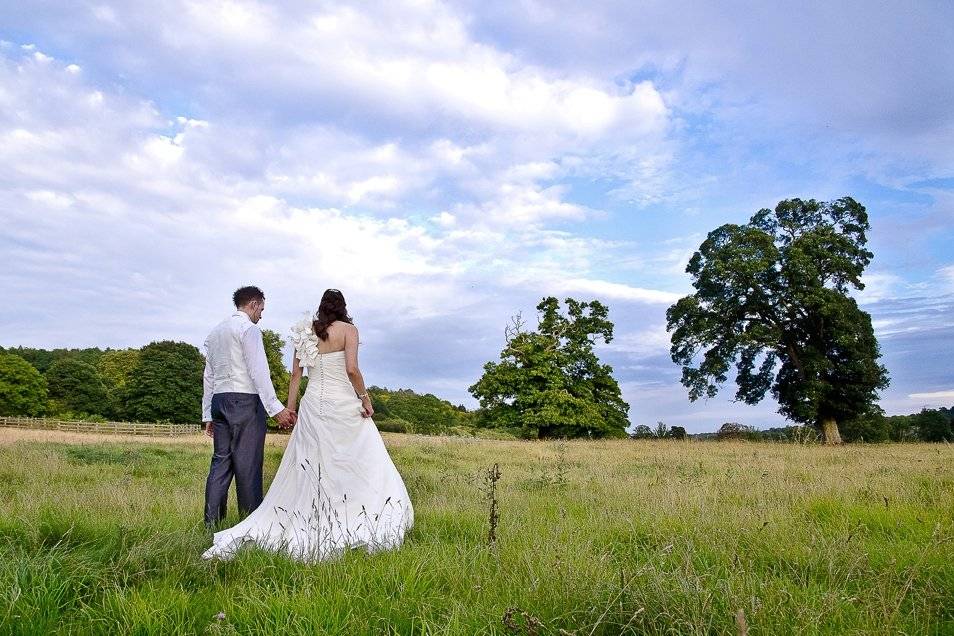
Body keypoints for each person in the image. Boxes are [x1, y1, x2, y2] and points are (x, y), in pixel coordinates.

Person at [202, 289, 413, 561]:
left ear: (321, 308)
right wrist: (365, 399)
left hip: (310, 403)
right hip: (342, 402)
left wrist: (290, 408)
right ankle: (349, 509)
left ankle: (219, 520)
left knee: (304, 460)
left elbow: (295, 375)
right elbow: (352, 370)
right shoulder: (349, 330)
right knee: (355, 457)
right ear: (343, 308)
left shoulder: (305, 332)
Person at [202, 285, 297, 527]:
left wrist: (207, 414)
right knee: (248, 465)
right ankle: (251, 524)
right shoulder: (249, 329)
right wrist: (276, 409)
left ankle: (212, 523)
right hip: (244, 401)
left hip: (219, 402)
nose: (261, 315)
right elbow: (258, 371)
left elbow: (208, 375)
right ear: (253, 304)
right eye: (261, 309)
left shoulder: (215, 333)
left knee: (220, 464)